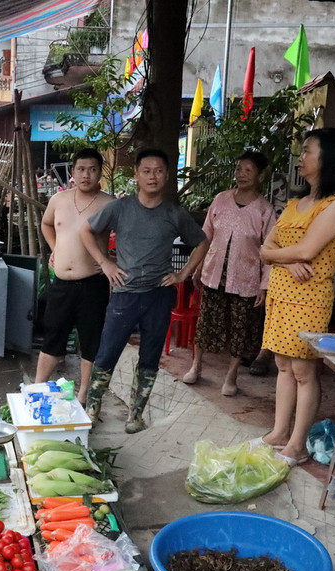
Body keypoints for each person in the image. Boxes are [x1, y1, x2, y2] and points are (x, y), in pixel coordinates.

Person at [81, 148, 209, 433]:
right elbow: (86, 231)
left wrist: (183, 274)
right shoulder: (120, 207)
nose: (153, 176)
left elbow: (202, 241)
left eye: (159, 170)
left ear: (166, 175)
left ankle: (135, 415)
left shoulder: (174, 214)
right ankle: (92, 410)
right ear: (137, 175)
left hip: (158, 295)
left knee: (150, 357)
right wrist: (106, 263)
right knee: (107, 354)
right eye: (146, 171)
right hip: (125, 294)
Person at [258, 128, 335, 466]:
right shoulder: (294, 203)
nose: (300, 158)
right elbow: (265, 248)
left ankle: (297, 444)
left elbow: (307, 249)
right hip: (281, 295)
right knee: (282, 365)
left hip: (309, 299)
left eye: (307, 151)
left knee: (303, 370)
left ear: (329, 158)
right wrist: (286, 257)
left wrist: (280, 255)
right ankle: (278, 432)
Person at [182, 151, 275, 396]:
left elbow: (270, 252)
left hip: (246, 280)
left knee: (240, 330)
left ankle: (231, 377)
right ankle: (196, 366)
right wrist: (197, 267)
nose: (241, 174)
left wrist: (264, 286)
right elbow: (206, 237)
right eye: (238, 168)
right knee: (206, 324)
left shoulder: (264, 210)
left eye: (248, 170)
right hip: (214, 274)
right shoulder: (221, 200)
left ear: (260, 175)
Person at [34, 148, 115, 403]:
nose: (86, 175)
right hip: (62, 283)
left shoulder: (110, 203)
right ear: (72, 172)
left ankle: (83, 395)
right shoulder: (59, 200)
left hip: (93, 284)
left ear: (100, 172)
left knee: (90, 342)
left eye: (92, 169)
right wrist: (56, 247)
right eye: (81, 169)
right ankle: (36, 389)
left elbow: (127, 236)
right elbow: (47, 224)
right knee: (52, 339)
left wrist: (112, 262)